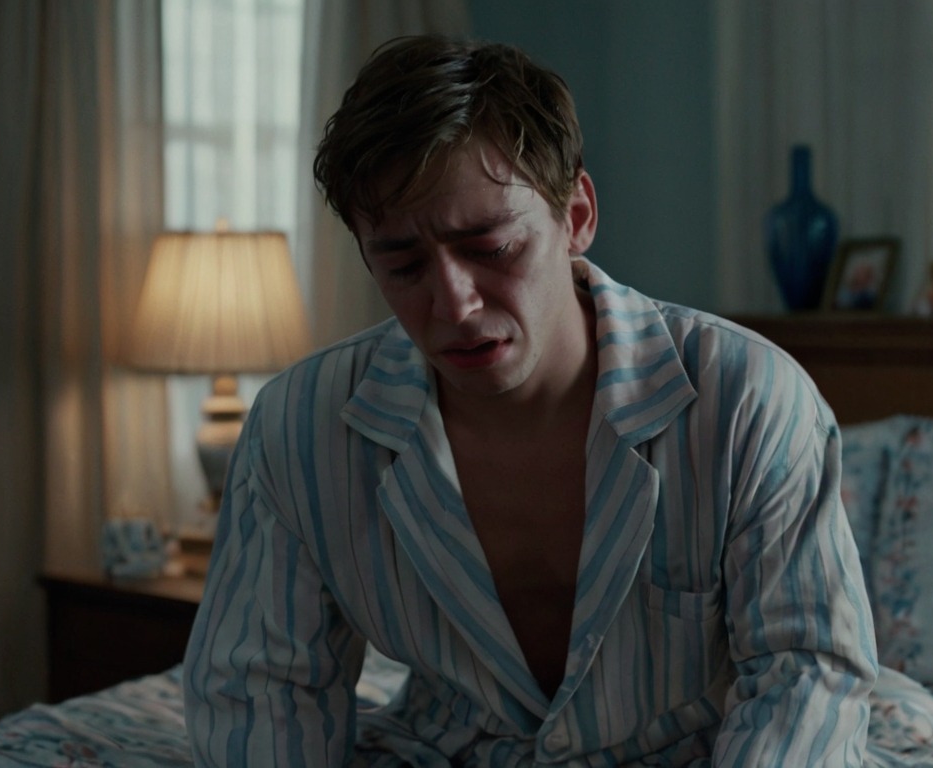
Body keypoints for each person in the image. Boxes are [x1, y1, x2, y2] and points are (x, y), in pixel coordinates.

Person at [183, 34, 877, 767]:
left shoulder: (746, 402)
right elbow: (262, 689)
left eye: (491, 248)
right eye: (404, 265)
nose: (454, 303)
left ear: (575, 216)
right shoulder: (300, 429)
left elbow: (804, 675)